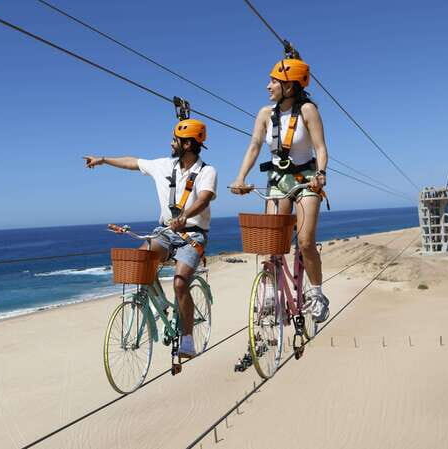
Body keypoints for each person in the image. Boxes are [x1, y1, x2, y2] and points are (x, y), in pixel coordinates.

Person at [84, 118, 217, 357]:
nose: (170, 142)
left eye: (175, 139)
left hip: (192, 234)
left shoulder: (206, 171)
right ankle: (163, 304)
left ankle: (187, 338)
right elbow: (132, 162)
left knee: (179, 283)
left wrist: (185, 217)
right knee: (140, 260)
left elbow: (204, 199)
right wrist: (103, 160)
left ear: (187, 144)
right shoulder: (163, 165)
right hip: (166, 232)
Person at [229, 56, 330, 323]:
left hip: (305, 179)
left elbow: (320, 148)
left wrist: (320, 174)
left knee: (305, 242)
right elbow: (254, 146)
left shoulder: (308, 110)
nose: (268, 86)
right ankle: (272, 293)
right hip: (277, 180)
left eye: (274, 81)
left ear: (291, 85)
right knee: (272, 245)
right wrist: (240, 178)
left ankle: (317, 293)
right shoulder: (265, 114)